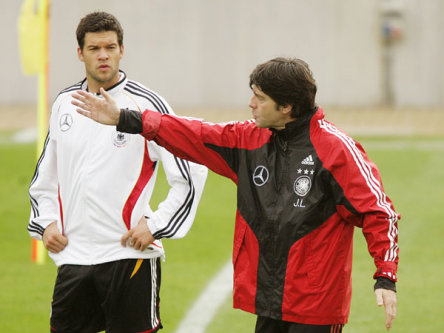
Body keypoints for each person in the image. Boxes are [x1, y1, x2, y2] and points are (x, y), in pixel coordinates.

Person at [72, 57, 399, 333]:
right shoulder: (248, 139)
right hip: (269, 302)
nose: (250, 104)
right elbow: (195, 134)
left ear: (286, 107)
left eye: (259, 97)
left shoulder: (336, 150)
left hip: (315, 307)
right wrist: (126, 118)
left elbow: (378, 212)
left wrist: (385, 275)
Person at [28, 11, 207, 333]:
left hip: (128, 254)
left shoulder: (147, 104)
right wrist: (46, 223)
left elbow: (191, 169)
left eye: (110, 47)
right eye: (94, 48)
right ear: (80, 53)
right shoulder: (65, 103)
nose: (103, 55)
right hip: (74, 255)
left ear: (122, 50)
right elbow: (45, 177)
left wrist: (157, 224)